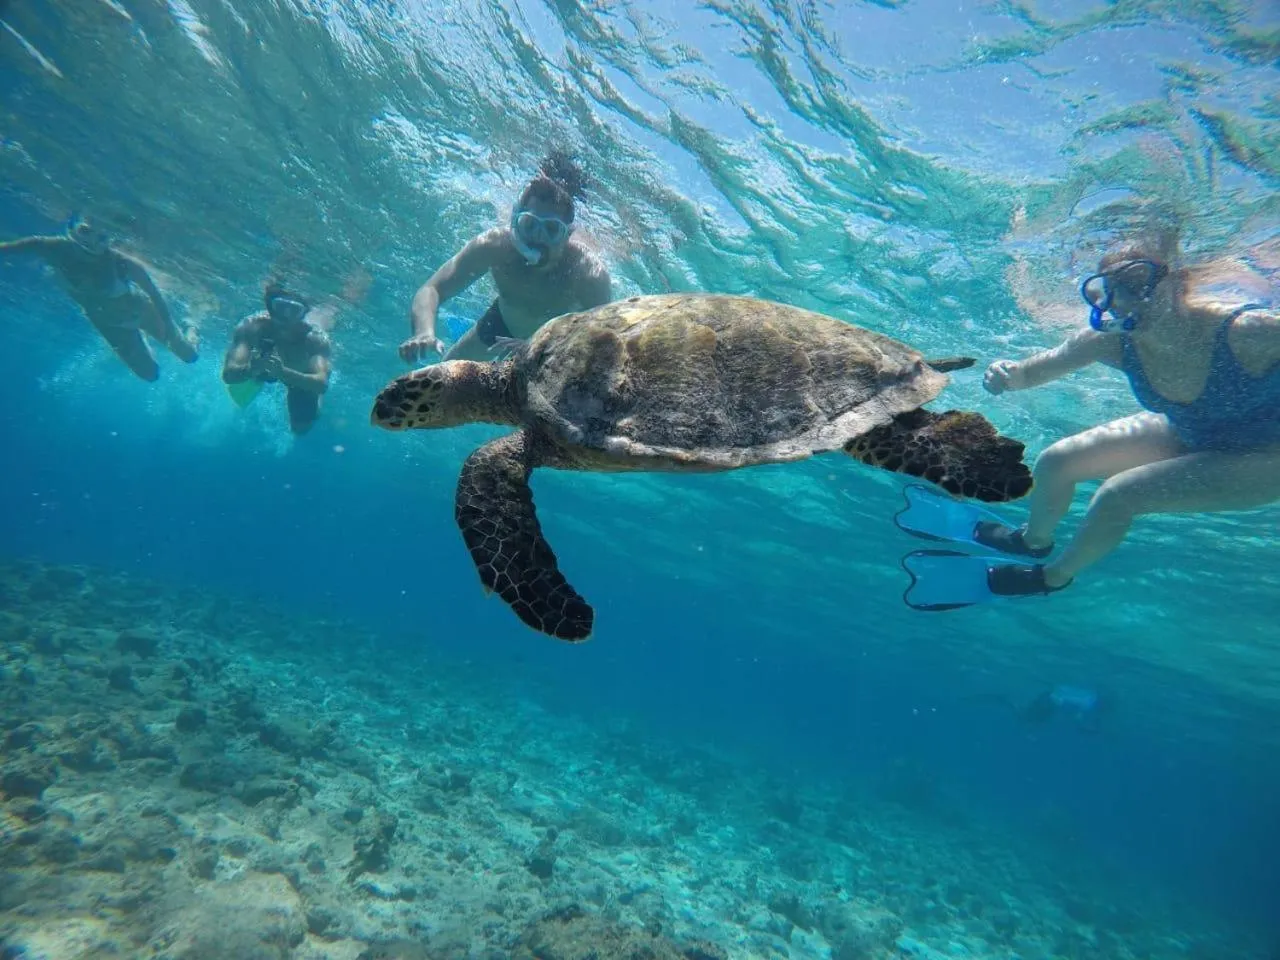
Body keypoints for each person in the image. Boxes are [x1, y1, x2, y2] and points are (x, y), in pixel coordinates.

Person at [897, 225, 1280, 607]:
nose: (1122, 301)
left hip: (1268, 456)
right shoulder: (1112, 340)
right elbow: (1030, 373)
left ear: (1178, 281)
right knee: (1057, 462)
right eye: (1107, 290)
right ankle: (1031, 541)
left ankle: (1053, 577)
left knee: (1119, 495)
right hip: (1189, 428)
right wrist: (1005, 375)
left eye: (1136, 281)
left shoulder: (1247, 331)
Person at [399, 152, 613, 364]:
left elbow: (602, 341)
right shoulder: (495, 246)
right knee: (443, 382)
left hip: (556, 350)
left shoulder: (587, 272)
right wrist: (424, 332)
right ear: (514, 222)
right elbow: (432, 289)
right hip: (501, 326)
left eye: (551, 229)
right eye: (529, 224)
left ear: (567, 234)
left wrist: (540, 349)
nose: (538, 238)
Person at [0, 215, 198, 380]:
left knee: (189, 355)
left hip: (141, 311)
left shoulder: (123, 263)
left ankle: (191, 326)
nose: (92, 241)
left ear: (108, 240)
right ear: (71, 229)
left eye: (101, 237)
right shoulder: (49, 247)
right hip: (107, 323)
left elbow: (155, 295)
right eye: (85, 231)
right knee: (149, 375)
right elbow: (6, 247)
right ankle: (142, 343)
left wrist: (171, 328)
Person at [221, 283, 333, 434]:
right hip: (261, 369)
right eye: (280, 307)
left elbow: (321, 384)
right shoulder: (251, 326)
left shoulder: (315, 338)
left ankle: (314, 406)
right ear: (269, 307)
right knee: (243, 390)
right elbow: (229, 375)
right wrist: (251, 369)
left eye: (294, 310)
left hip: (299, 379)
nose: (286, 317)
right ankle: (260, 376)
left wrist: (283, 372)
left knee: (300, 429)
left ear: (304, 313)